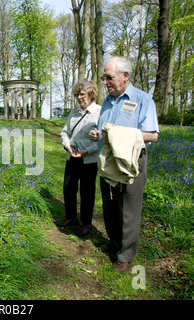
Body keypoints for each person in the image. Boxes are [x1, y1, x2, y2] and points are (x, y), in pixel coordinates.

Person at [89, 56, 159, 273]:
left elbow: (152, 135)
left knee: (128, 210)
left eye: (109, 77)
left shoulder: (143, 99)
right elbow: (105, 131)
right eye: (104, 78)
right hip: (108, 160)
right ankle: (114, 243)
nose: (105, 82)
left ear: (125, 76)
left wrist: (117, 135)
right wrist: (97, 134)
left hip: (131, 162)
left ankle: (126, 256)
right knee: (110, 206)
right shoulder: (108, 101)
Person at [59, 80, 101, 236]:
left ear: (91, 94)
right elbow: (65, 132)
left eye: (82, 94)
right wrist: (67, 145)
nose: (79, 98)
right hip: (72, 157)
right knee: (68, 188)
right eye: (77, 95)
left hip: (89, 160)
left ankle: (86, 223)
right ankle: (71, 218)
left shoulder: (100, 112)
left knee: (87, 192)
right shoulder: (74, 112)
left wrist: (86, 151)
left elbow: (103, 141)